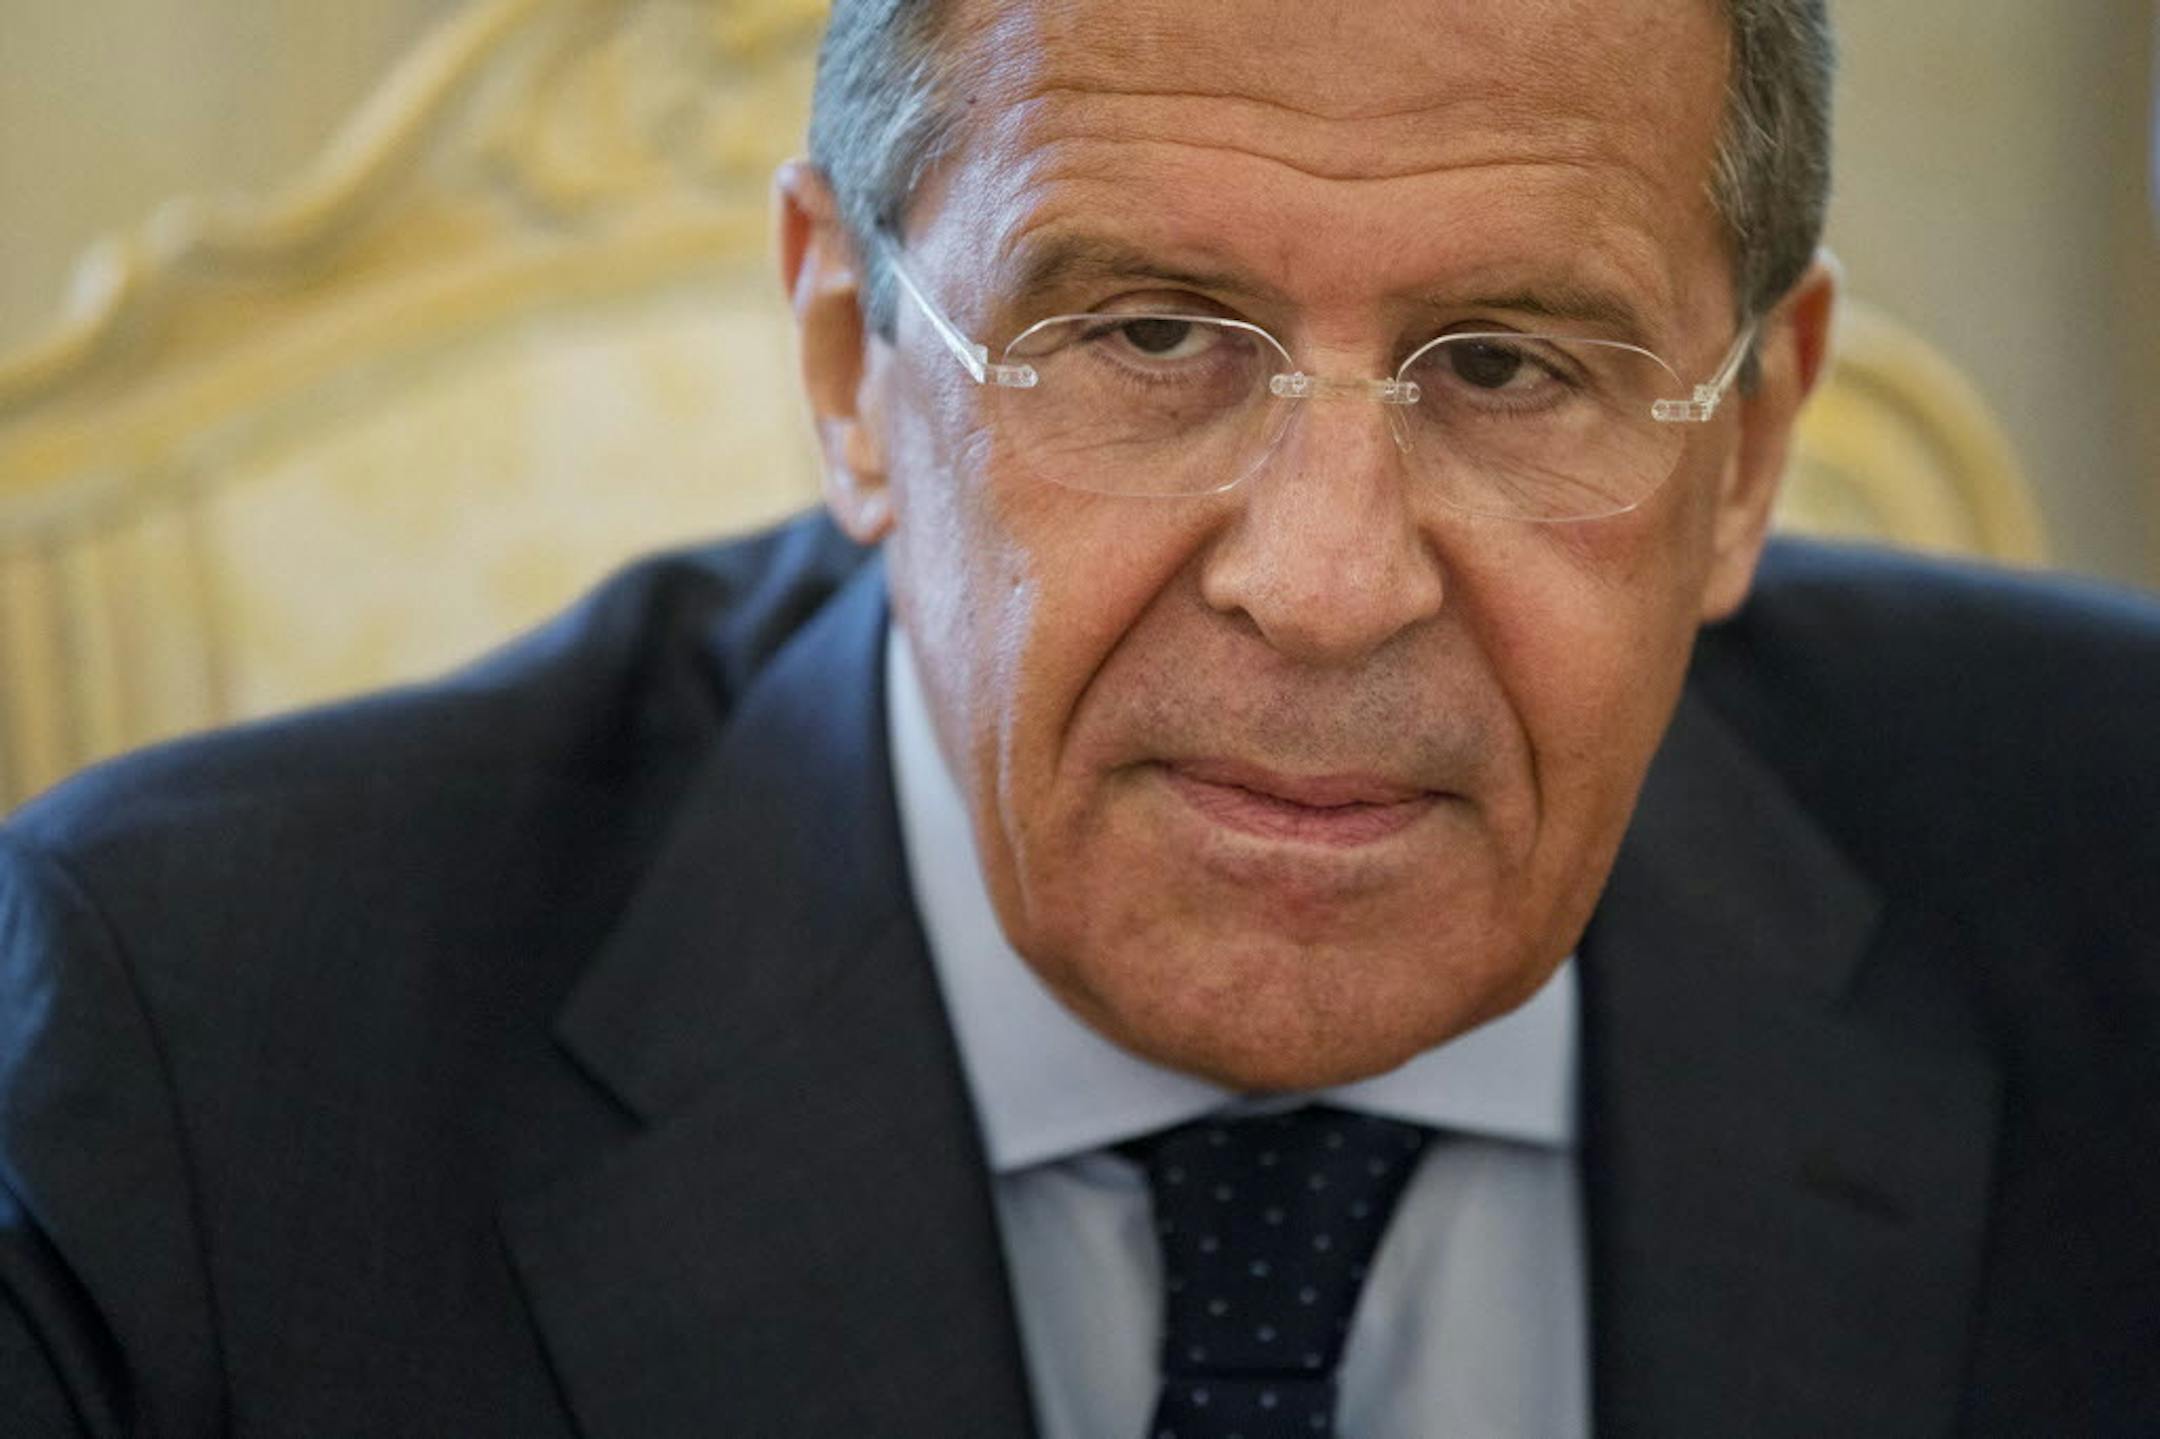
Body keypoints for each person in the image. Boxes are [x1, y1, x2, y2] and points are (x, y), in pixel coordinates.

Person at [3, 0, 2157, 1434]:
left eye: (1508, 367)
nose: (1323, 586)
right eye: (1146, 335)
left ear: (1754, 446)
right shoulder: (195, 1063)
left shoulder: (2117, 876)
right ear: (854, 363)